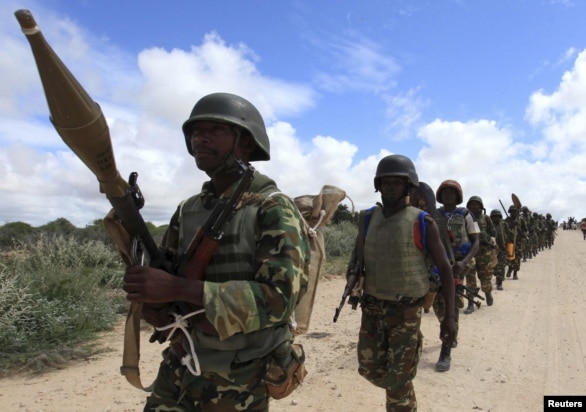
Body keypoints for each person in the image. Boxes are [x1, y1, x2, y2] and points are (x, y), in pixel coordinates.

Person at [122, 92, 311, 411]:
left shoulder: (273, 207)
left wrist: (177, 288)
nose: (200, 137)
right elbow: (168, 287)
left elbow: (279, 300)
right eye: (195, 131)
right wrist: (155, 301)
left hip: (239, 374)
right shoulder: (188, 209)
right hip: (183, 360)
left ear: (246, 143)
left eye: (215, 129)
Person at [352, 154, 456, 412]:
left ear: (409, 187)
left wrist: (450, 318)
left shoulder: (423, 221)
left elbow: (445, 269)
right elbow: (357, 259)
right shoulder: (367, 219)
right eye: (385, 182)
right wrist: (352, 281)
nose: (389, 187)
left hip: (405, 313)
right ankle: (403, 383)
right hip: (373, 310)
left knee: (397, 382)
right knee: (369, 370)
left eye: (396, 183)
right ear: (378, 185)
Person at [430, 179, 480, 372]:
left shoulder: (466, 214)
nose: (448, 196)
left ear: (458, 196)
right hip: (438, 266)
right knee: (438, 306)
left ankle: (446, 351)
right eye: (445, 192)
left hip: (459, 265)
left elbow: (476, 242)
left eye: (452, 193)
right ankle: (451, 332)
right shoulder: (434, 214)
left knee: (450, 305)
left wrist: (463, 263)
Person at [464, 196, 497, 309]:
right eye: (472, 204)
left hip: (484, 253)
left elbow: (493, 232)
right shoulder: (465, 218)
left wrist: (490, 242)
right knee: (470, 278)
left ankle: (487, 293)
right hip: (470, 253)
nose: (474, 206)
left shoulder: (486, 218)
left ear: (481, 206)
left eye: (476, 204)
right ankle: (470, 303)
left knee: (485, 276)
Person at [489, 209, 511, 291]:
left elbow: (509, 234)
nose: (495, 218)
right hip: (492, 248)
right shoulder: (490, 225)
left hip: (502, 248)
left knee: (501, 266)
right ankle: (497, 276)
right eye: (494, 217)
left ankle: (499, 282)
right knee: (493, 266)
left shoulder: (504, 225)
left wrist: (508, 246)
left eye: (497, 217)